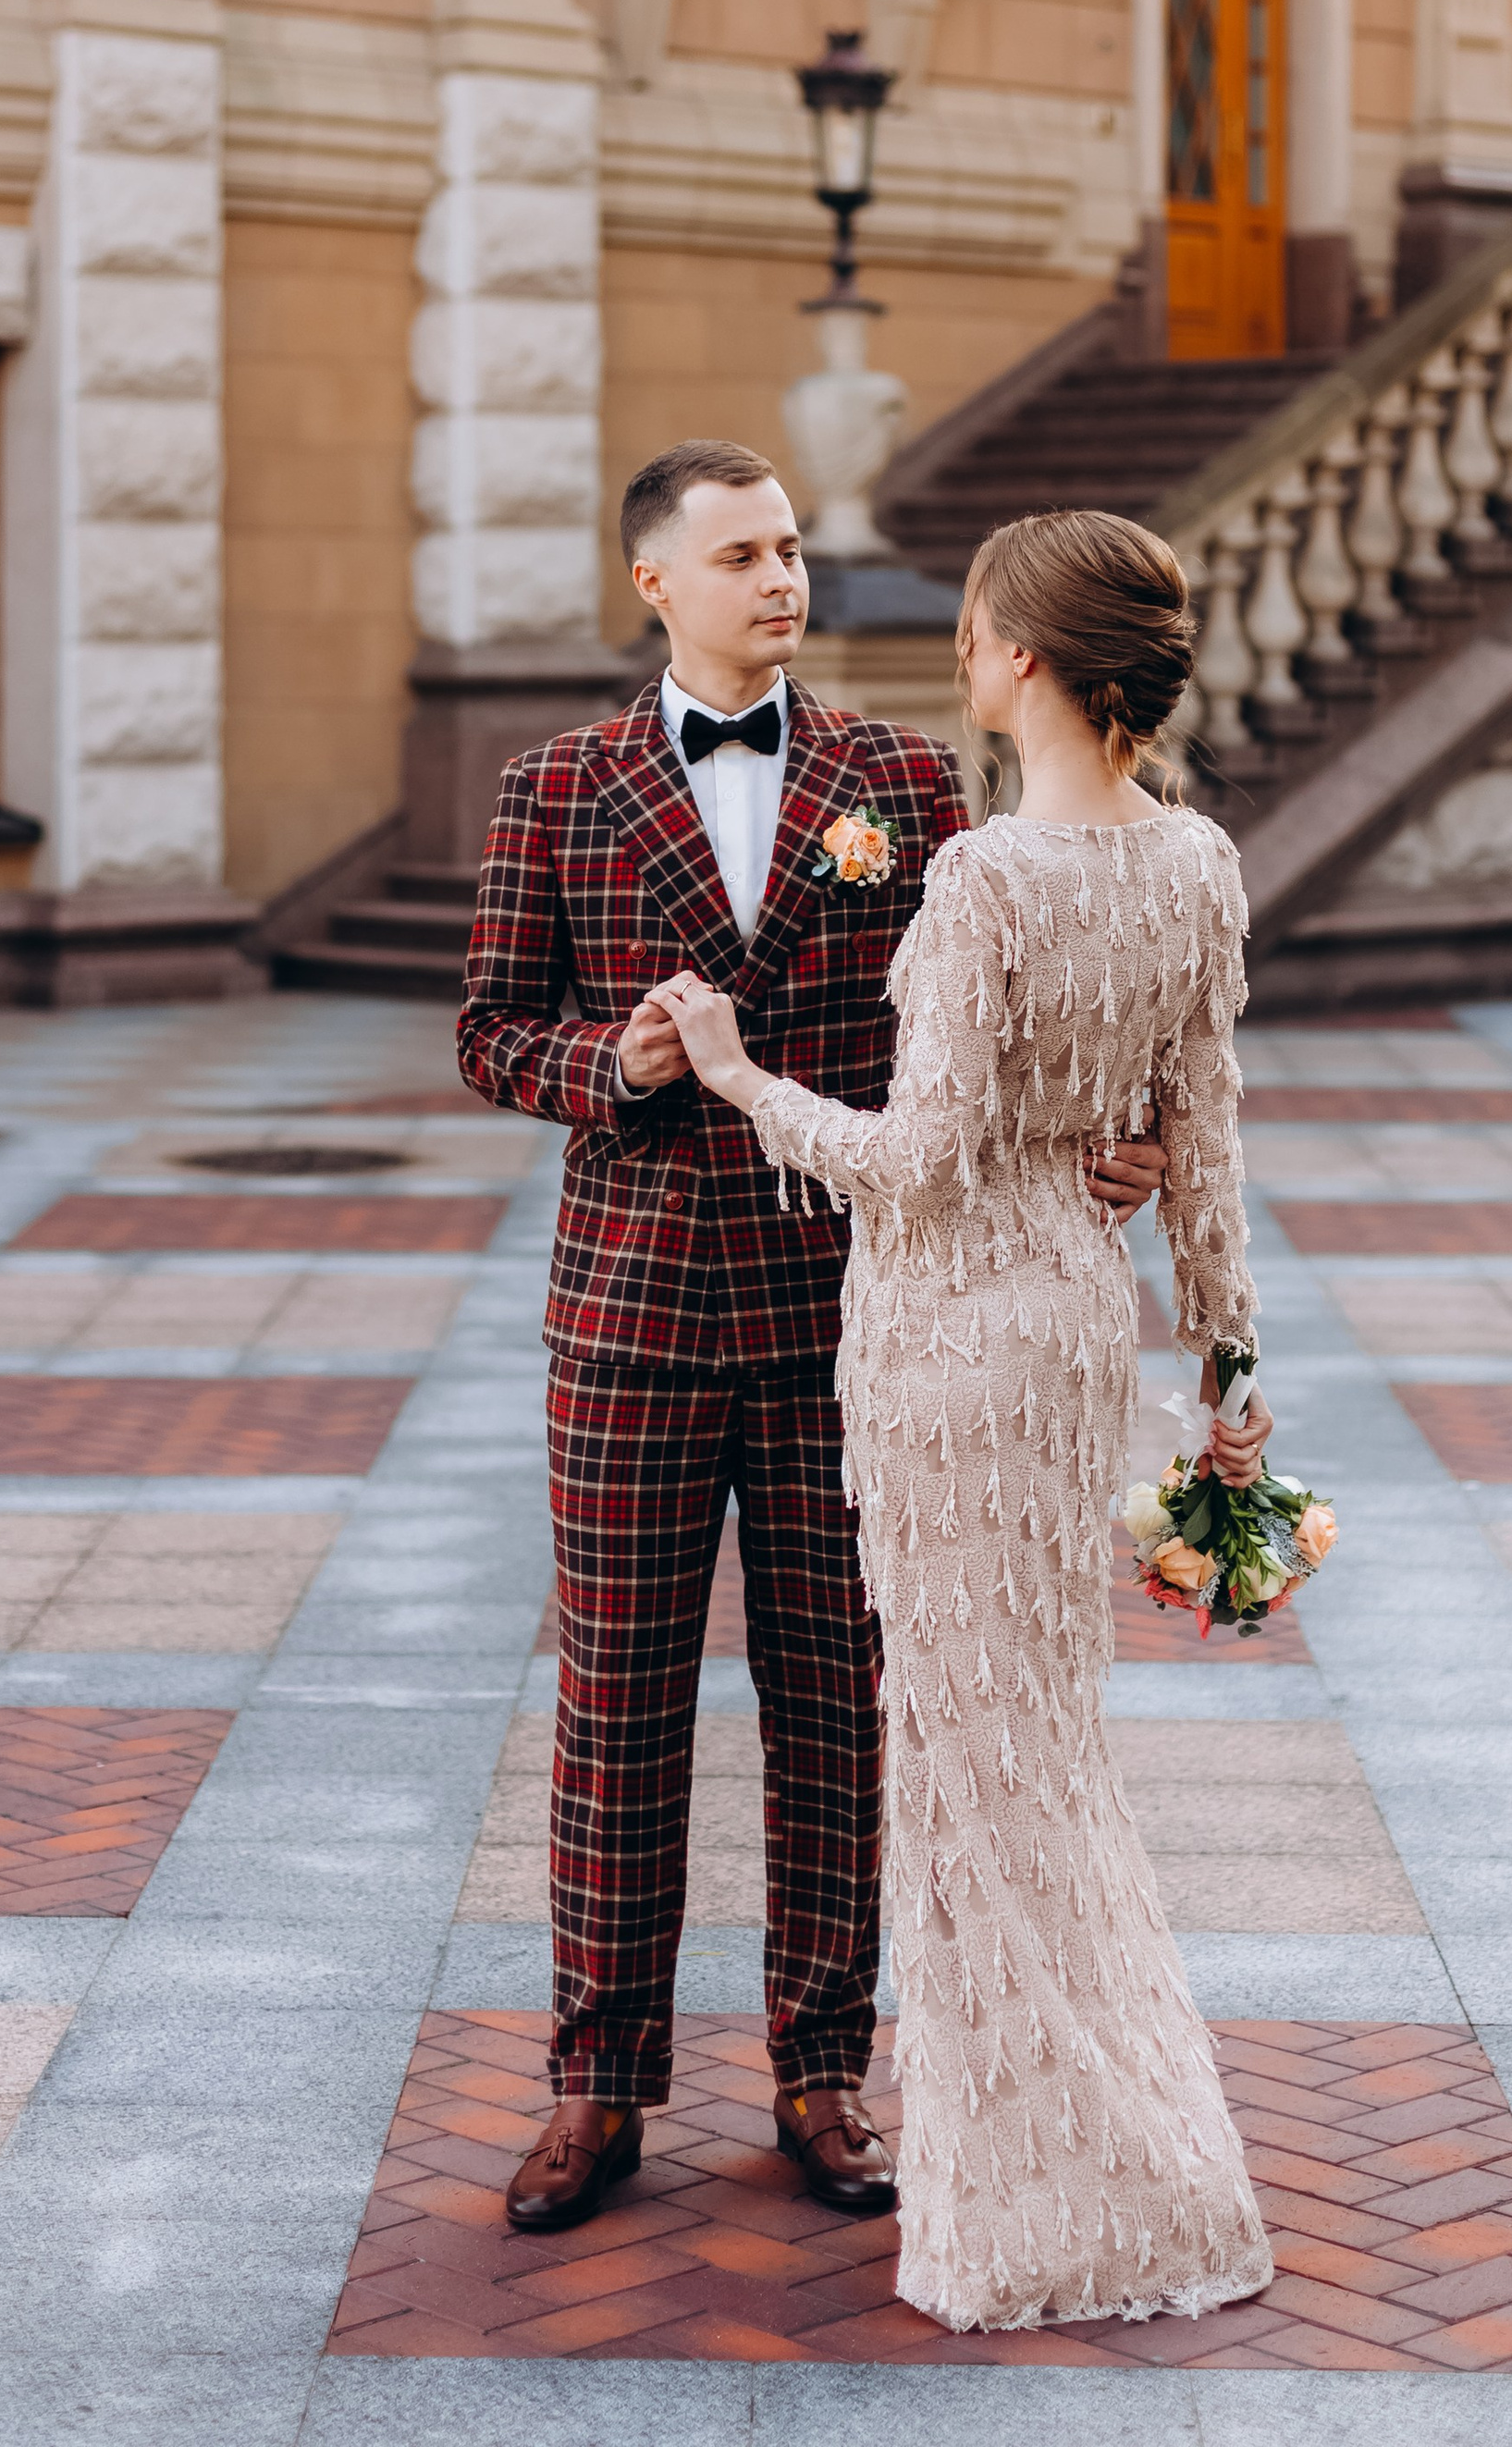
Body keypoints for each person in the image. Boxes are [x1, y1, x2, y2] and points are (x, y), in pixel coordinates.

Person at [457, 443, 1179, 2237]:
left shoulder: (895, 777)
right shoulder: (554, 787)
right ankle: (593, 2081)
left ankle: (818, 2071)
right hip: (622, 1321)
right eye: (738, 554)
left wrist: (1096, 1130)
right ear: (654, 584)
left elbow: (987, 1026)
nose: (778, 579)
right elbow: (485, 1031)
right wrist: (598, 1068)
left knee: (831, 1717)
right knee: (611, 1714)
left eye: (787, 550)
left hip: (847, 1322)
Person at [659, 503, 1278, 2333]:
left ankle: (1029, 2202)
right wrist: (1227, 1384)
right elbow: (1207, 1155)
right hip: (1073, 1334)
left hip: (946, 1345)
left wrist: (736, 1076)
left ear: (1018, 656)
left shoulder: (986, 881)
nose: (957, 641)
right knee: (1038, 1742)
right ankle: (1116, 2157)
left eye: (972, 620)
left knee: (958, 1755)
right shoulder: (1195, 868)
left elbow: (913, 1166)